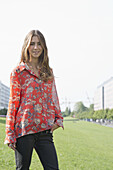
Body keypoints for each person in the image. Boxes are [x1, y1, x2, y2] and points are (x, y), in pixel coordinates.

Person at [4, 30, 64, 170]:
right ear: (27, 46)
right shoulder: (18, 72)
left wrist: (58, 119)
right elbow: (13, 103)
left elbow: (53, 97)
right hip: (24, 130)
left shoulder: (48, 71)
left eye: (39, 44)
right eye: (32, 44)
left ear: (43, 47)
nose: (36, 47)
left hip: (45, 131)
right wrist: (9, 133)